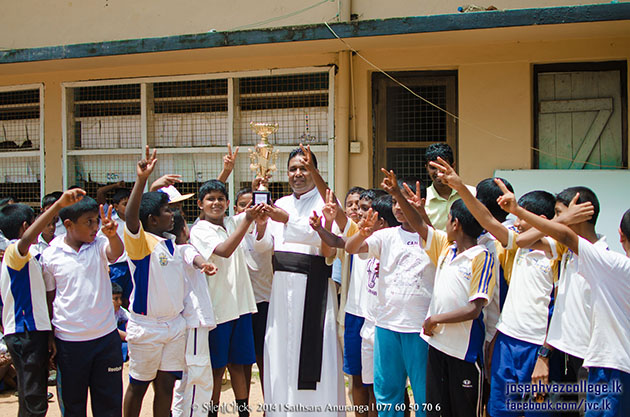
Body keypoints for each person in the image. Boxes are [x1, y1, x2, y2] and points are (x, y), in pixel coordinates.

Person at [429, 157, 591, 416]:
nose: (515, 221)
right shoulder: (515, 248)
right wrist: (460, 187)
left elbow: (559, 307)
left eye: (522, 215)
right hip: (507, 342)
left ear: (541, 219)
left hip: (537, 348)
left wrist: (544, 355)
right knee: (500, 410)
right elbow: (489, 222)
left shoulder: (559, 250)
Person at [495, 182, 630, 416]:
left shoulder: (603, 259)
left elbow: (565, 234)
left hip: (597, 363)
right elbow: (522, 241)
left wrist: (518, 210)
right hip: (567, 358)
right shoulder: (566, 251)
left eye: (558, 213)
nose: (555, 220)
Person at [254, 147, 345, 416]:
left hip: (313, 286)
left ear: (315, 171)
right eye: (293, 168)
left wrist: (286, 220)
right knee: (282, 350)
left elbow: (328, 242)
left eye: (304, 168)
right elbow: (263, 247)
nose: (297, 174)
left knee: (318, 355)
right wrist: (260, 225)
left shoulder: (326, 202)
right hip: (282, 289)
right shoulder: (279, 203)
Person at [123, 147, 209, 417]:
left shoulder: (174, 243)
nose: (172, 214)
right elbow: (130, 218)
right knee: (138, 386)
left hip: (174, 326)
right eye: (166, 211)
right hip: (147, 328)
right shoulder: (142, 244)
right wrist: (141, 181)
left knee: (166, 387)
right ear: (151, 220)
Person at [345, 174, 434, 417]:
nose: (398, 207)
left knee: (424, 396)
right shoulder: (386, 236)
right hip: (386, 327)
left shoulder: (433, 237)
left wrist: (417, 211)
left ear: (421, 202)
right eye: (394, 202)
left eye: (403, 200)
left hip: (420, 329)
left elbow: (428, 230)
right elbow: (350, 248)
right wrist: (361, 233)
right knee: (388, 395)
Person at [0, 190, 82, 416]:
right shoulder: (14, 251)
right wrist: (56, 207)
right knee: (35, 397)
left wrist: (49, 334)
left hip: (34, 331)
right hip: (24, 331)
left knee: (31, 395)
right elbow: (26, 240)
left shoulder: (31, 257)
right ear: (26, 225)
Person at [42, 194, 125, 417]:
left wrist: (113, 235)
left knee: (109, 405)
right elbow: (50, 299)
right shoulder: (50, 255)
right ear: (68, 224)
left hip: (106, 340)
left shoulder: (99, 245)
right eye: (89, 222)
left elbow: (115, 253)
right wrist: (51, 336)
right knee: (73, 405)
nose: (95, 227)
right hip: (70, 344)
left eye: (96, 221)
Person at [189, 179, 262, 417]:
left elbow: (256, 211)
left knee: (239, 365)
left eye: (220, 199)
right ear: (200, 204)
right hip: (217, 309)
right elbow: (224, 250)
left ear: (228, 203)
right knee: (217, 369)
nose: (216, 203)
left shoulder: (233, 221)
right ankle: (211, 413)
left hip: (240, 307)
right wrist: (247, 219)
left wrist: (260, 187)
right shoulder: (199, 230)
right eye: (210, 199)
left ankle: (243, 412)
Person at [170, 209, 218, 417]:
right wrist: (204, 264)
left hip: (182, 322)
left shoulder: (165, 250)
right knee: (198, 376)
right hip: (195, 321)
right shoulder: (183, 248)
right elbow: (193, 256)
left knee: (184, 377)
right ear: (184, 229)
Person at [234, 186, 274, 400]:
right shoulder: (231, 228)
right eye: (243, 205)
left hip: (263, 300)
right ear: (235, 208)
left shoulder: (268, 228)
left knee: (263, 357)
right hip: (239, 304)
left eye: (254, 203)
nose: (250, 208)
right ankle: (243, 407)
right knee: (242, 361)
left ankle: (269, 406)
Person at [424, 143, 476, 231]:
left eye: (442, 166)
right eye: (433, 167)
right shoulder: (422, 199)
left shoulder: (472, 193)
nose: (438, 172)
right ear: (426, 168)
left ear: (453, 166)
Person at [112, 282, 130, 362]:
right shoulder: (102, 313)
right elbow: (114, 331)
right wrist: (132, 338)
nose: (119, 302)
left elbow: (131, 319)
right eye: (115, 299)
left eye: (120, 298)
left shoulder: (119, 310)